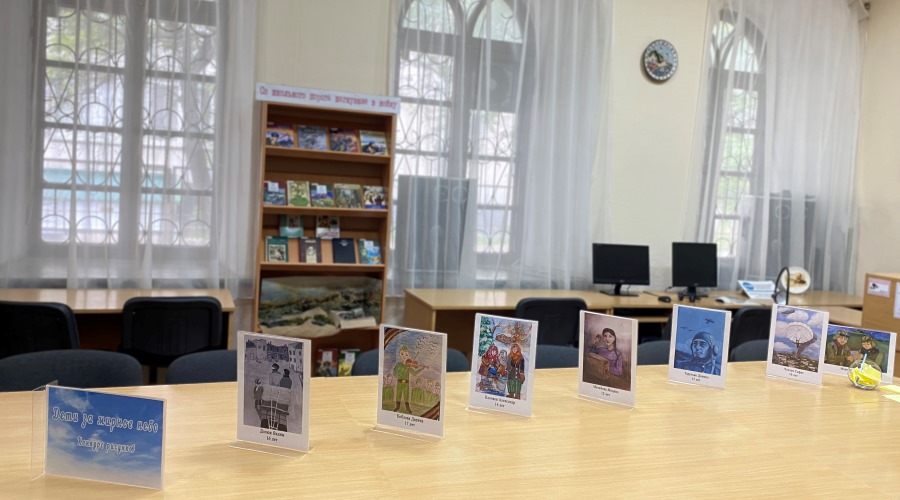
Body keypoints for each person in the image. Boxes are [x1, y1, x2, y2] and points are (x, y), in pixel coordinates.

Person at [392, 345, 425, 413]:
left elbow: (414, 373)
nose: (404, 356)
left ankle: (408, 408)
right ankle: (397, 407)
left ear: (408, 356)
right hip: (399, 382)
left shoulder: (409, 366)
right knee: (398, 395)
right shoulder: (398, 365)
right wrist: (397, 376)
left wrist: (422, 369)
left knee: (406, 396)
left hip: (406, 383)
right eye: (402, 354)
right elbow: (394, 373)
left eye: (406, 355)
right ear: (399, 354)